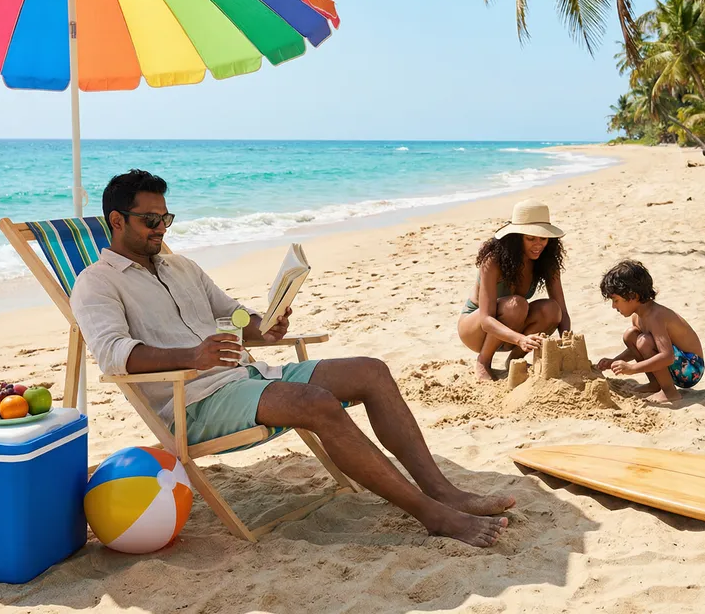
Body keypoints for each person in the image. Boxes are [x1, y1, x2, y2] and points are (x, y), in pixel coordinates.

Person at [71, 169, 514, 548]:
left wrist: (263, 324)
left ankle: (442, 490)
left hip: (249, 377)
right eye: (151, 219)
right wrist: (194, 354)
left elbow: (231, 314)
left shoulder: (181, 266)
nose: (161, 227)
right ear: (116, 219)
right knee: (316, 402)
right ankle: (430, 514)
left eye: (166, 217)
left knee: (371, 371)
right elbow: (113, 356)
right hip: (194, 402)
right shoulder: (97, 283)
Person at [458, 199, 570, 381]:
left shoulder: (547, 262)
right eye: (530, 238)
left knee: (552, 309)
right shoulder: (493, 262)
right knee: (516, 304)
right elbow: (486, 320)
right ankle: (483, 361)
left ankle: (514, 360)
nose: (538, 244)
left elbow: (562, 311)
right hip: (476, 330)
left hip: (511, 331)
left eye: (543, 238)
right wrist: (520, 339)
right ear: (516, 239)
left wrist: (567, 340)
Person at [598, 260, 704, 403]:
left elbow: (667, 357)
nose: (613, 306)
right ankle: (656, 384)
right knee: (630, 335)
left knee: (644, 341)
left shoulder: (655, 316)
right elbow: (640, 349)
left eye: (616, 300)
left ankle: (669, 392)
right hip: (677, 363)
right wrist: (614, 361)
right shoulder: (637, 316)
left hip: (692, 368)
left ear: (633, 296)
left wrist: (632, 368)